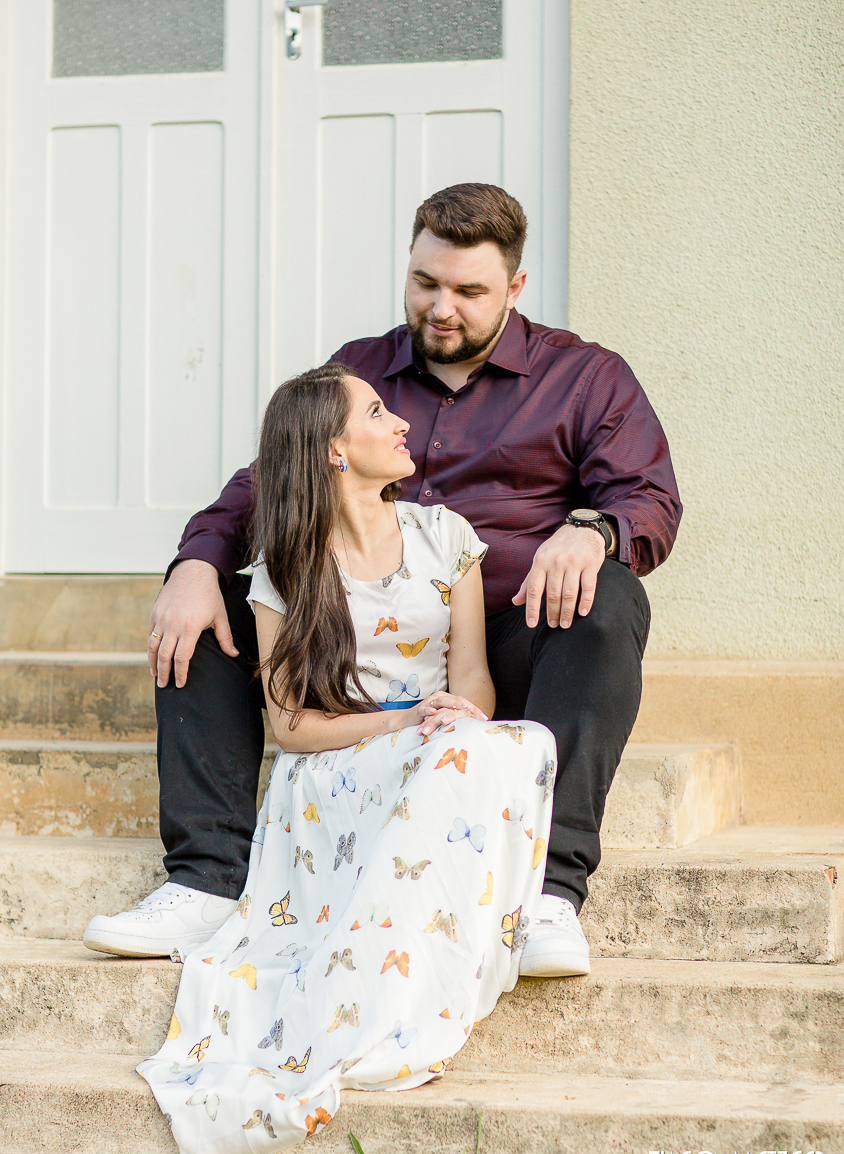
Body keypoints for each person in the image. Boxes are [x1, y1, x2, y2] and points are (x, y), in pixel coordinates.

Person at [84, 183, 682, 977]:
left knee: (608, 599)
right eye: (424, 282)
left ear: (515, 287)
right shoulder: (359, 374)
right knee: (211, 610)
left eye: (469, 291)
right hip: (351, 640)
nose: (441, 308)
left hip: (498, 636)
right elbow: (266, 486)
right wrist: (195, 562)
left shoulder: (584, 378)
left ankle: (548, 894)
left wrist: (593, 530)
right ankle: (205, 883)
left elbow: (648, 500)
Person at [136, 363, 556, 1154]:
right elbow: (292, 726)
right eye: (375, 411)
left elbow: (471, 678)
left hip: (438, 744)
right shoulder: (286, 572)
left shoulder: (446, 538)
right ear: (335, 450)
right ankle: (367, 1003)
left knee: (518, 743)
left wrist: (455, 716)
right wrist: (401, 722)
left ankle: (450, 951)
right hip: (337, 764)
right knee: (459, 758)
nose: (401, 422)